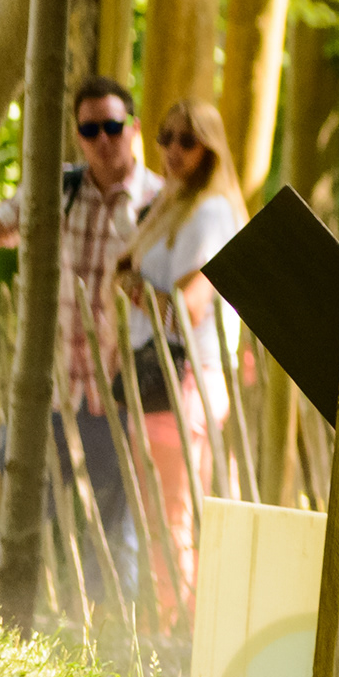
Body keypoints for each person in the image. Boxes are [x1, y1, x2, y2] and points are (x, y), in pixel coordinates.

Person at [0, 75, 167, 589]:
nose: (102, 139)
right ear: (77, 134)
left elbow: (189, 298)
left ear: (134, 128)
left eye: (113, 127)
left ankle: (110, 649)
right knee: (3, 512)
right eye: (90, 129)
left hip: (116, 401)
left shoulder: (161, 205)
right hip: (47, 394)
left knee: (112, 544)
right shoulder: (56, 190)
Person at [116, 100, 249, 605]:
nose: (173, 149)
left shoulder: (212, 212)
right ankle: (168, 620)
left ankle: (177, 629)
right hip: (159, 378)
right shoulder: (175, 204)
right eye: (165, 138)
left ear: (210, 150)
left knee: (175, 513)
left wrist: (133, 288)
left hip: (186, 378)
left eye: (187, 141)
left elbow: (187, 311)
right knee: (157, 511)